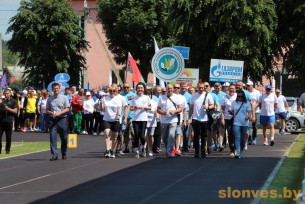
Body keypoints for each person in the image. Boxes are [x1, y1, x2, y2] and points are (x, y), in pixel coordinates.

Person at [188, 82, 214, 158]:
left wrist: (208, 107)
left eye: (202, 88)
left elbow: (212, 105)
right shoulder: (193, 96)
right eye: (199, 88)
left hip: (204, 118)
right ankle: (196, 152)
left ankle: (203, 151)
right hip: (196, 118)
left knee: (204, 136)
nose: (201, 89)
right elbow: (191, 108)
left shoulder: (208, 95)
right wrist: (190, 118)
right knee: (196, 135)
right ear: (197, 87)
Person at [46, 83, 70, 161]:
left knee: (64, 138)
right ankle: (54, 155)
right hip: (53, 120)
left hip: (62, 119)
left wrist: (60, 113)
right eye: (54, 88)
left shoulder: (64, 97)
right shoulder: (50, 99)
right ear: (52, 89)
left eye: (57, 88)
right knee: (52, 138)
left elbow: (67, 109)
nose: (56, 90)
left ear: (59, 89)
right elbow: (47, 110)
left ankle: (63, 152)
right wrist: (52, 113)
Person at [157, 84, 182, 158]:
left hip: (173, 120)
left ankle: (168, 152)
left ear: (173, 89)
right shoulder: (162, 98)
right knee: (164, 137)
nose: (170, 90)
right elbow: (158, 109)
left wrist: (174, 111)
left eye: (171, 88)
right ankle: (169, 148)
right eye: (168, 89)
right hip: (164, 121)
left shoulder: (177, 97)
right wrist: (162, 112)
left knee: (171, 136)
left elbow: (180, 108)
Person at [130, 82, 151, 158]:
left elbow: (150, 107)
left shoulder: (146, 97)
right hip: (135, 119)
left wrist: (144, 107)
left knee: (142, 135)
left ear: (143, 89)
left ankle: (144, 148)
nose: (140, 89)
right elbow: (131, 108)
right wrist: (134, 108)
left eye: (141, 88)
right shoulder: (133, 97)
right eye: (138, 88)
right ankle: (137, 151)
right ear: (136, 89)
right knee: (136, 135)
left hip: (143, 119)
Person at [101, 87, 122, 158]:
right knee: (107, 133)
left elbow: (119, 108)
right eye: (110, 91)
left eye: (114, 91)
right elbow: (102, 109)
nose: (112, 92)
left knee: (115, 136)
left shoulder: (118, 99)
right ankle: (107, 150)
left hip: (115, 119)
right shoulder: (105, 99)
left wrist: (119, 115)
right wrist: (101, 104)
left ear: (116, 92)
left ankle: (113, 150)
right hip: (107, 119)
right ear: (108, 91)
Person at [231, 90, 252, 159]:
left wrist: (248, 116)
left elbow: (249, 112)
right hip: (236, 122)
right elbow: (232, 112)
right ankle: (238, 152)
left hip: (244, 123)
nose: (240, 98)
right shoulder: (234, 103)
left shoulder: (247, 103)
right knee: (237, 137)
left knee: (242, 138)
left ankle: (242, 151)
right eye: (239, 96)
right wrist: (230, 112)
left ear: (244, 96)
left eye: (241, 96)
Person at [221, 84, 237, 157]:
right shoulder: (225, 97)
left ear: (235, 89)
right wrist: (222, 118)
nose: (231, 90)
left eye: (233, 88)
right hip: (228, 118)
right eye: (230, 88)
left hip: (236, 118)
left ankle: (236, 149)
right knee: (230, 134)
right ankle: (232, 149)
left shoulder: (237, 96)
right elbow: (222, 109)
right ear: (228, 89)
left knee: (235, 133)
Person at [0, 89, 18, 154]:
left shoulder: (14, 101)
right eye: (5, 93)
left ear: (10, 93)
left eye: (7, 93)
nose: (6, 95)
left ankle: (7, 149)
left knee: (8, 136)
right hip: (1, 121)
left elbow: (15, 111)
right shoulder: (2, 101)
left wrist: (8, 109)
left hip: (9, 121)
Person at [120, 83, 136, 153]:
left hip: (132, 116)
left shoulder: (134, 95)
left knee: (132, 131)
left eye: (127, 87)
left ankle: (133, 145)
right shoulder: (121, 95)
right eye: (125, 87)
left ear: (130, 87)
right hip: (124, 117)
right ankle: (126, 146)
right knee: (125, 133)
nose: (126, 88)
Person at [173, 83, 187, 156]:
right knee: (172, 134)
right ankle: (173, 148)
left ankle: (177, 149)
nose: (176, 89)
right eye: (175, 87)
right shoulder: (170, 96)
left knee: (178, 134)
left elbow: (184, 110)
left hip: (179, 118)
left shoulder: (182, 97)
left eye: (178, 88)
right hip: (171, 119)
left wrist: (184, 120)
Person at [212, 82, 226, 150]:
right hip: (213, 114)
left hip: (221, 114)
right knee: (214, 130)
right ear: (214, 87)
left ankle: (220, 144)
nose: (217, 89)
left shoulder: (224, 95)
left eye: (218, 87)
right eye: (216, 87)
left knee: (221, 129)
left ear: (220, 87)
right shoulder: (211, 94)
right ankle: (215, 144)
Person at [246, 81, 261, 145]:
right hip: (248, 111)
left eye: (249, 85)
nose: (248, 87)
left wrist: (253, 107)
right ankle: (249, 139)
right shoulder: (246, 92)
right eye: (247, 85)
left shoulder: (257, 92)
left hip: (256, 111)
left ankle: (254, 138)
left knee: (255, 126)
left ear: (252, 85)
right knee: (248, 126)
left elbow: (259, 102)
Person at [145, 90, 158, 157]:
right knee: (144, 135)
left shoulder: (154, 102)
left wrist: (157, 115)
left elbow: (156, 110)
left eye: (149, 94)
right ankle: (144, 149)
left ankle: (150, 149)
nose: (148, 95)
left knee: (150, 136)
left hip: (152, 121)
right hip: (144, 121)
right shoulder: (143, 101)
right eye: (146, 94)